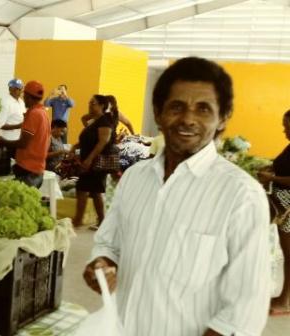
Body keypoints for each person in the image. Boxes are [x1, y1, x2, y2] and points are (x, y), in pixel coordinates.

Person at [84, 57, 270, 335]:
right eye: (176, 107)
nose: (188, 119)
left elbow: (243, 312)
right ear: (158, 113)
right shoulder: (135, 178)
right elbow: (109, 243)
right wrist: (101, 264)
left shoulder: (241, 195)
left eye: (204, 109)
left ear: (222, 119)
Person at [258, 109, 290, 315]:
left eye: (288, 127)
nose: (284, 131)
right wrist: (270, 168)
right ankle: (284, 296)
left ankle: (286, 301)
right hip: (282, 203)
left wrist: (271, 179)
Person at [70, 94, 115, 229]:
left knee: (82, 188)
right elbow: (89, 137)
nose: (89, 105)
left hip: (96, 161)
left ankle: (78, 219)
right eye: (89, 103)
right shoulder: (95, 121)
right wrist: (75, 146)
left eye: (93, 103)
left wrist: (89, 159)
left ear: (102, 105)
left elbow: (102, 142)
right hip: (89, 159)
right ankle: (101, 220)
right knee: (94, 191)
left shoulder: (104, 122)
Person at [0, 81, 50, 188]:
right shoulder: (43, 112)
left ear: (28, 97)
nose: (22, 96)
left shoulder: (34, 114)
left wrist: (1, 140)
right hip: (36, 166)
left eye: (23, 94)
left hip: (28, 168)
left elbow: (23, 143)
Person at [0, 78, 25, 176]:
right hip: (6, 142)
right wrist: (18, 126)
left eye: (20, 89)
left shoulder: (21, 102)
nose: (18, 91)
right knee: (3, 171)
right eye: (16, 89)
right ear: (10, 89)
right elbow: (0, 125)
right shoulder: (5, 103)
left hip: (17, 140)